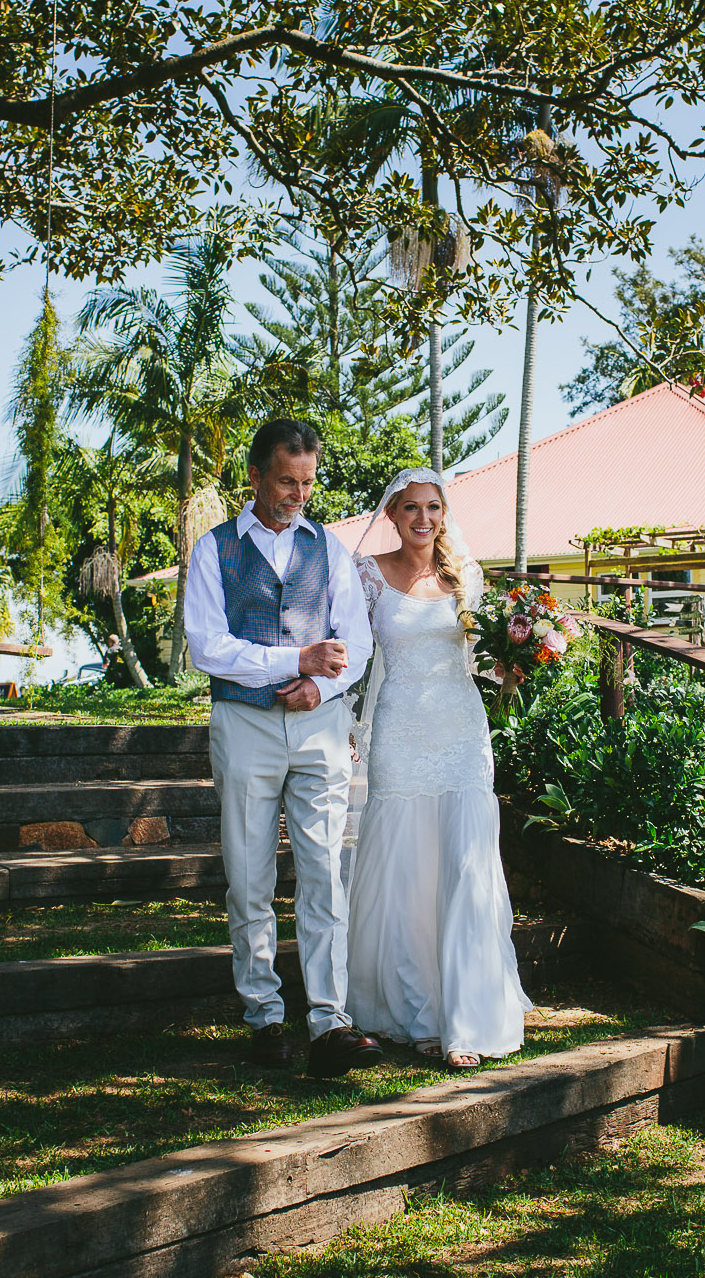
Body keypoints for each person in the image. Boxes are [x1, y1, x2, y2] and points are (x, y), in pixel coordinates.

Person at [184, 418, 384, 1078]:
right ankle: (264, 1017)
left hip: (320, 725)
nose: (298, 494)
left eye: (306, 482)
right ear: (255, 476)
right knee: (250, 877)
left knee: (324, 871)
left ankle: (330, 1022)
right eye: (285, 481)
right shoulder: (214, 549)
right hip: (245, 724)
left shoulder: (330, 549)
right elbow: (208, 647)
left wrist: (321, 687)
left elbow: (355, 645)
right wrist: (294, 660)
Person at [347, 470, 531, 1071]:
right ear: (393, 515)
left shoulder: (465, 578)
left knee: (465, 868)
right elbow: (350, 653)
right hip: (400, 733)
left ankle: (467, 1017)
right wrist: (342, 719)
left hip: (460, 733)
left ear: (444, 514)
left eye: (432, 508)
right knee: (406, 875)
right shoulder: (367, 575)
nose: (422, 519)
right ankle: (417, 1013)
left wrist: (515, 665)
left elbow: (485, 659)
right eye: (410, 508)